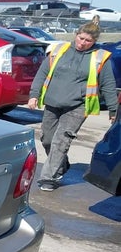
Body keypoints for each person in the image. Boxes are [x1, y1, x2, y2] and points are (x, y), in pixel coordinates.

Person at [27, 16, 117, 191]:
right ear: (76, 35)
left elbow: (108, 85)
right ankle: (61, 164)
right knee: (47, 139)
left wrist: (113, 110)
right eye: (81, 38)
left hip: (78, 106)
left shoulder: (99, 58)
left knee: (61, 141)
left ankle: (49, 178)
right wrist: (34, 95)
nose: (83, 43)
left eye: (88, 41)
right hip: (52, 103)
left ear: (94, 41)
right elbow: (42, 73)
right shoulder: (59, 50)